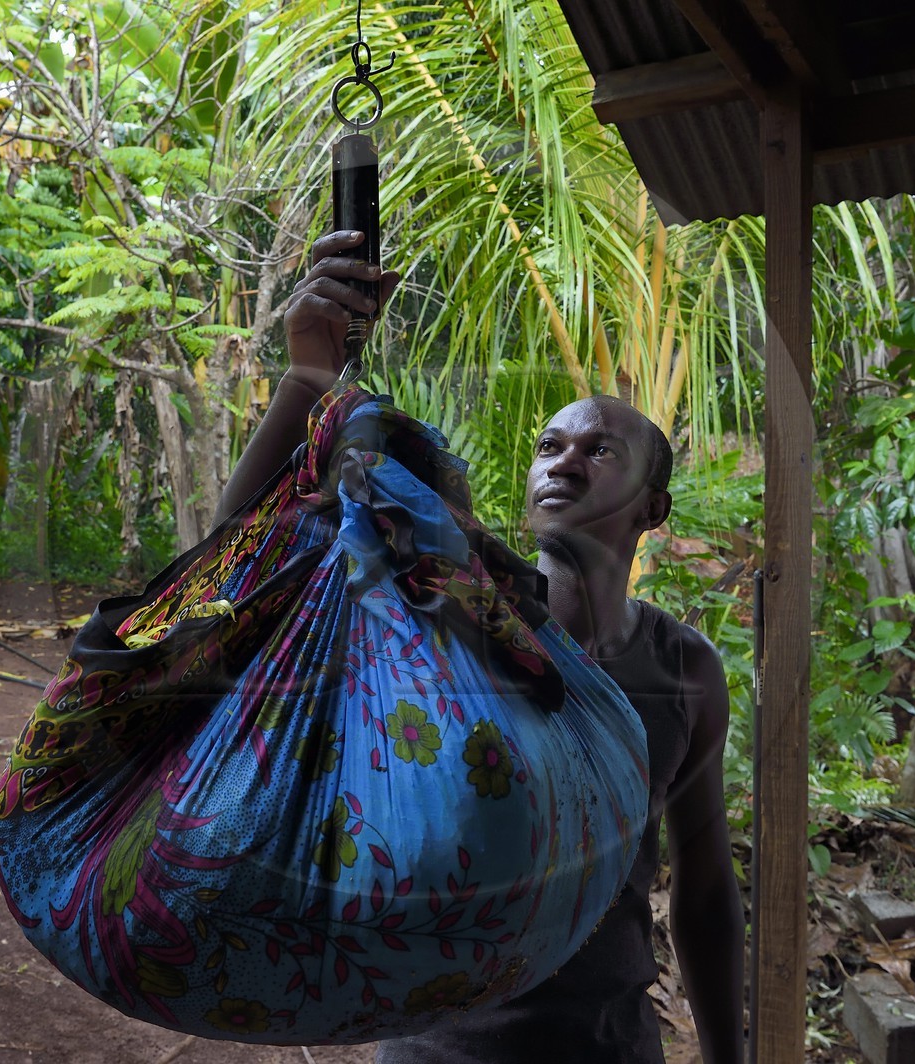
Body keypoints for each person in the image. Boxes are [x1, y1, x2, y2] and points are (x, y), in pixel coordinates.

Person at [215, 230, 745, 1064]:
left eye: (601, 449)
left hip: (609, 1047)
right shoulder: (450, 613)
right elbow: (231, 560)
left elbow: (705, 891)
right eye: (549, 446)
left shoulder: (683, 671)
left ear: (654, 509)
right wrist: (307, 377)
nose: (564, 460)